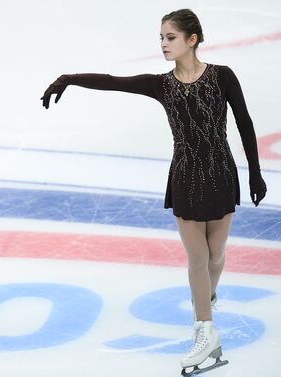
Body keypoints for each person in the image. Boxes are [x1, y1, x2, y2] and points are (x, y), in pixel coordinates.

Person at [40, 8, 267, 376]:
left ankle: (206, 298)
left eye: (170, 37)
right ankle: (206, 331)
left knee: (215, 255)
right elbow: (113, 81)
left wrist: (255, 174)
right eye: (161, 37)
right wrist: (68, 78)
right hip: (185, 179)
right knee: (197, 259)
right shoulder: (161, 85)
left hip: (222, 175)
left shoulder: (223, 77)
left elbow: (244, 123)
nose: (163, 44)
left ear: (192, 39)